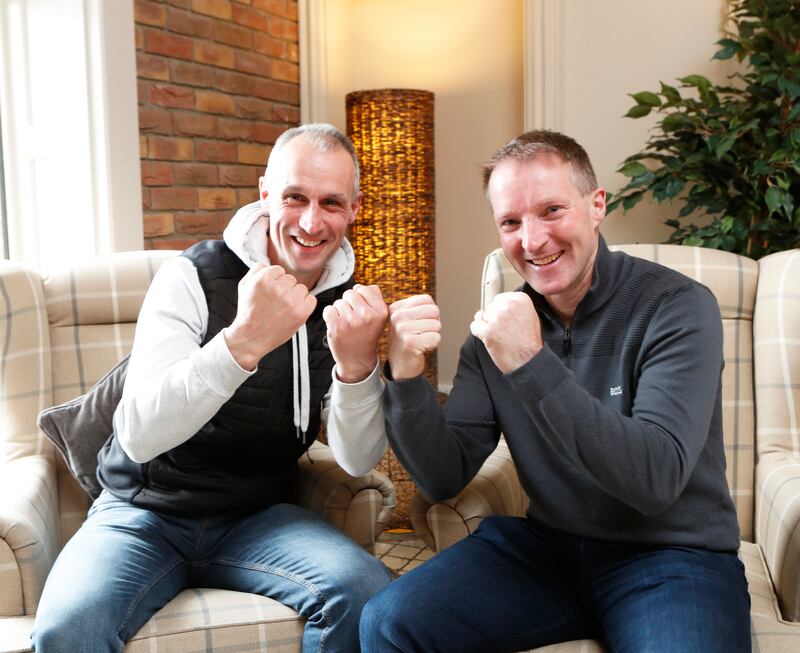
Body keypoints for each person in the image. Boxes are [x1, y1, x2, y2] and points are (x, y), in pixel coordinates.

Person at [360, 130, 751, 652]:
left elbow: (655, 480)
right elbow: (442, 475)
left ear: (597, 206)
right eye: (511, 222)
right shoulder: (492, 337)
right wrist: (406, 378)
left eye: (552, 211)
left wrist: (530, 362)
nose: (533, 240)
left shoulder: (678, 306)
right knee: (389, 622)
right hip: (548, 549)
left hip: (674, 556)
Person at [31, 123, 392, 653]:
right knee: (68, 628)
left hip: (258, 516)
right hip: (142, 511)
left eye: (331, 203)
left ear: (355, 208)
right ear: (265, 193)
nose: (312, 222)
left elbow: (357, 460)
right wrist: (243, 342)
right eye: (294, 197)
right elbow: (137, 434)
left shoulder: (346, 305)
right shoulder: (191, 277)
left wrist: (359, 368)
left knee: (366, 592)